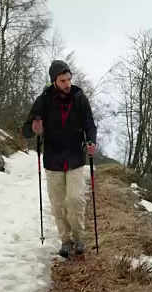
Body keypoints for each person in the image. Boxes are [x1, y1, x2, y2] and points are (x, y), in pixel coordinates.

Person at [22, 60, 97, 258]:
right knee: (57, 204)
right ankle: (66, 240)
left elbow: (90, 123)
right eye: (63, 80)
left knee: (75, 199)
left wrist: (91, 141)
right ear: (54, 81)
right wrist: (34, 128)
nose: (67, 84)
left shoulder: (79, 98)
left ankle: (79, 237)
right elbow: (27, 129)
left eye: (69, 79)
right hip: (53, 158)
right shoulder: (43, 100)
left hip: (74, 157)